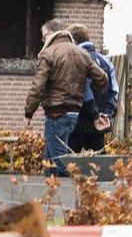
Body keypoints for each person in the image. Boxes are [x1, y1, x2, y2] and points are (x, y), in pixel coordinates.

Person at [25, 19, 109, 176]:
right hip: (73, 114)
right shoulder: (81, 53)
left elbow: (38, 87)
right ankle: (51, 195)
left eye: (43, 36)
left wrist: (28, 113)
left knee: (60, 161)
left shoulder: (48, 53)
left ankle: (82, 187)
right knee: (49, 159)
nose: (43, 40)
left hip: (56, 114)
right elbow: (103, 78)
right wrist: (86, 86)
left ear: (50, 34)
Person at [67, 24, 119, 153]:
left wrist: (94, 114)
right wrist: (106, 114)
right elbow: (114, 92)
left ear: (73, 41)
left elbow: (85, 91)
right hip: (100, 124)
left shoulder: (77, 59)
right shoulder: (106, 61)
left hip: (79, 123)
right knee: (99, 165)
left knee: (69, 163)